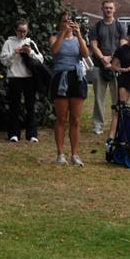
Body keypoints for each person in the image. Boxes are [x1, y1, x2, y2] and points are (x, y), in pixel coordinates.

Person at [48, 10, 90, 166]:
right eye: (64, 21)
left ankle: (75, 154)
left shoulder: (79, 39)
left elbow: (85, 55)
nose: (68, 24)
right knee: (61, 118)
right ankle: (60, 154)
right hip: (61, 77)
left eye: (70, 21)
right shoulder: (55, 37)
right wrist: (63, 33)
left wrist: (79, 35)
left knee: (76, 120)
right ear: (60, 23)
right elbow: (54, 51)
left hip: (77, 78)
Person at [0, 19, 44, 144]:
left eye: (25, 31)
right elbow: (4, 61)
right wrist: (15, 53)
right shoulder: (9, 42)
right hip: (14, 77)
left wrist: (30, 53)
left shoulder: (31, 42)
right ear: (15, 30)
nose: (22, 34)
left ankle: (32, 134)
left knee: (30, 106)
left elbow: (41, 60)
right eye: (20, 31)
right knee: (15, 106)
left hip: (29, 78)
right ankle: (14, 134)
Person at [89, 0, 125, 137]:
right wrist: (103, 58)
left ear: (114, 9)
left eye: (110, 8)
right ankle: (98, 125)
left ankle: (117, 125)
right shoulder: (96, 27)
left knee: (117, 99)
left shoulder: (120, 27)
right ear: (102, 9)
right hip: (99, 66)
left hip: (116, 67)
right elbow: (93, 45)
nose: (108, 10)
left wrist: (113, 58)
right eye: (106, 8)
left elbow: (122, 45)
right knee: (99, 98)